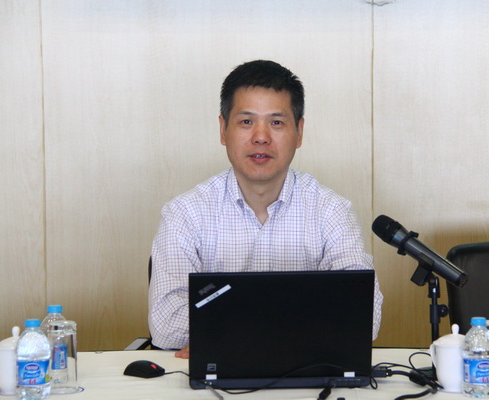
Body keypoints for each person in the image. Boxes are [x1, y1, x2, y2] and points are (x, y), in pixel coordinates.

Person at [148, 60, 383, 359]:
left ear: (299, 132)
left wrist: (226, 332)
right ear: (223, 130)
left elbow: (364, 316)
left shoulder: (331, 211)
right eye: (246, 122)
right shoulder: (185, 213)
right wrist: (297, 328)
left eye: (276, 122)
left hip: (303, 374)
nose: (261, 137)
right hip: (216, 375)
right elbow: (166, 325)